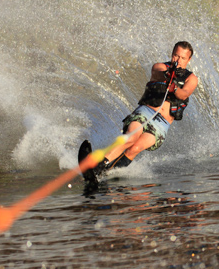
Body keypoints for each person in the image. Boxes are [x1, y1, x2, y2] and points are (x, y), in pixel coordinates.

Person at [83, 41, 198, 185]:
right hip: (146, 112)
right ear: (172, 54)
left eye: (182, 58)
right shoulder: (160, 67)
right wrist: (168, 75)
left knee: (135, 148)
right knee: (131, 138)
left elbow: (183, 94)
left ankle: (107, 175)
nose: (178, 60)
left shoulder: (191, 78)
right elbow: (158, 73)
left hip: (162, 124)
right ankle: (99, 166)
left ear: (189, 60)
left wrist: (173, 87)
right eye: (176, 55)